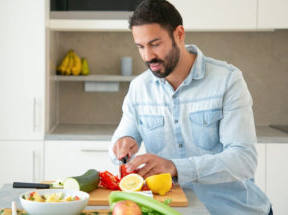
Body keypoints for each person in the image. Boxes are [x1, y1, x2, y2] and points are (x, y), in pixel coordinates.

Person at [108, 0, 272, 214]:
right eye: (140, 46)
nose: (148, 56)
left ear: (179, 34)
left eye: (155, 44)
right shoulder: (140, 88)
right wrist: (124, 143)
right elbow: (122, 140)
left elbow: (244, 160)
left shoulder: (227, 80)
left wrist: (175, 167)